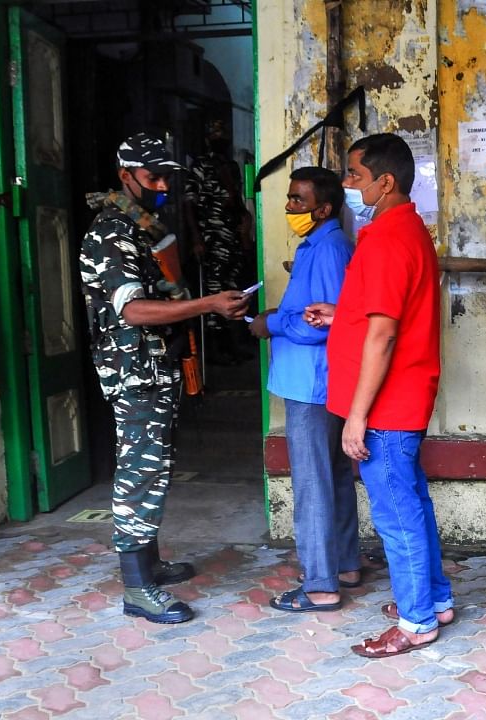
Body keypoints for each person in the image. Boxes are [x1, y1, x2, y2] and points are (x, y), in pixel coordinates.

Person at [80, 132, 249, 623]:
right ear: (125, 175)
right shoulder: (112, 230)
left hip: (152, 367)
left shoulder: (141, 227)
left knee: (154, 467)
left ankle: (149, 565)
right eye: (152, 177)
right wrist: (207, 304)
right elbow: (132, 310)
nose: (160, 186)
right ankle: (136, 589)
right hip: (133, 373)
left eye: (166, 178)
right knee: (139, 471)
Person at [303, 133, 453, 657]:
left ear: (384, 182)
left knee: (395, 513)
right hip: (401, 400)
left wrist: (355, 417)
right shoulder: (401, 229)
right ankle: (434, 599)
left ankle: (417, 622)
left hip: (388, 407)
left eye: (353, 176)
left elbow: (385, 334)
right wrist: (338, 313)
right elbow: (376, 313)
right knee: (410, 502)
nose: (346, 184)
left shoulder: (390, 238)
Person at [251, 167, 359, 613]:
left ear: (324, 208)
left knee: (313, 482)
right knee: (333, 475)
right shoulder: (319, 245)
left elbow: (326, 323)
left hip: (313, 380)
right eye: (290, 198)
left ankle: (319, 585)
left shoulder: (328, 249)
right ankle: (346, 565)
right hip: (320, 379)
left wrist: (270, 323)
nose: (290, 207)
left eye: (297, 200)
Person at [189, 119, 253, 364]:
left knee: (234, 288)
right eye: (215, 135)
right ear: (207, 139)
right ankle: (217, 351)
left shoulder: (232, 167)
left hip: (232, 239)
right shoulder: (200, 166)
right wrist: (196, 238)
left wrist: (244, 226)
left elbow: (235, 200)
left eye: (222, 136)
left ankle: (233, 345)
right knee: (214, 290)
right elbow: (189, 204)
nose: (220, 140)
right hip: (211, 238)